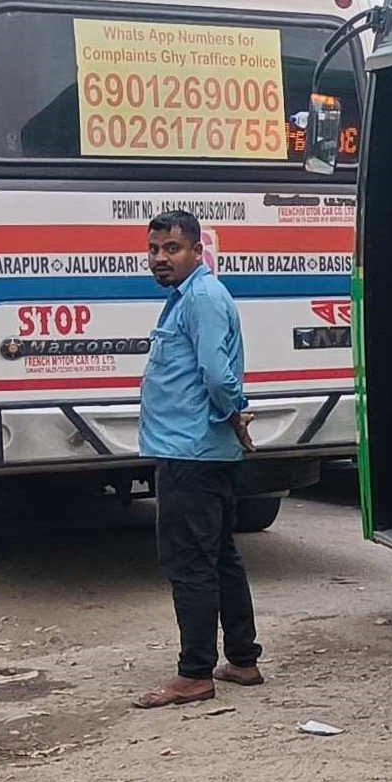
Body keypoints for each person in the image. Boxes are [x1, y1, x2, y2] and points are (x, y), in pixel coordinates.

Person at [134, 210, 262, 709]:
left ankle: (194, 674)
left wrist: (236, 413)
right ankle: (242, 658)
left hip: (190, 453)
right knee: (220, 556)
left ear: (196, 251)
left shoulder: (203, 299)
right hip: (195, 450)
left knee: (190, 563)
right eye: (154, 250)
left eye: (172, 249)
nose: (161, 259)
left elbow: (216, 374)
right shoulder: (186, 299)